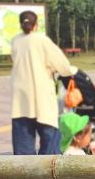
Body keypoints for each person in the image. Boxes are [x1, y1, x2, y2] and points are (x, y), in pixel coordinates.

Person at [10, 10, 77, 155]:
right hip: (42, 98)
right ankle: (46, 173)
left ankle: (25, 175)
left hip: (21, 101)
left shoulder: (15, 41)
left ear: (21, 25)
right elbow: (62, 65)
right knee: (50, 139)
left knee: (23, 148)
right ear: (36, 25)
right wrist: (71, 71)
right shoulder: (42, 40)